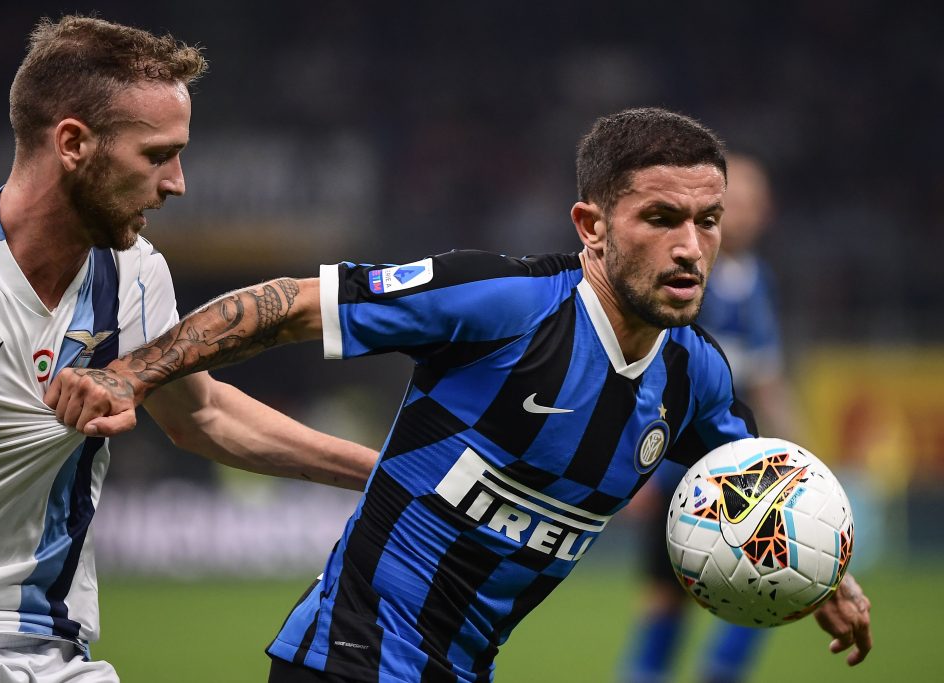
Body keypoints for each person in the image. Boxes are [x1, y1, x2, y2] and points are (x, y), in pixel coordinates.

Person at [48, 108, 873, 682]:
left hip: (464, 668)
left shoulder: (696, 376)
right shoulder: (504, 303)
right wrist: (131, 373)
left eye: (708, 220)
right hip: (349, 657)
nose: (691, 246)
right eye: (661, 218)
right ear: (590, 226)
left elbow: (757, 485)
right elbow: (291, 304)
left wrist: (820, 572)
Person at [0, 16, 375, 682]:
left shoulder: (133, 275)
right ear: (73, 143)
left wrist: (386, 476)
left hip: (55, 655)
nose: (177, 182)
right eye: (158, 155)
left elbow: (203, 416)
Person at [620, 153, 796, 683]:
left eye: (753, 202)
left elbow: (765, 377)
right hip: (677, 463)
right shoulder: (686, 272)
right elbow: (648, 370)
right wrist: (638, 466)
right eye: (733, 202)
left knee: (773, 578)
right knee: (667, 593)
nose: (744, 212)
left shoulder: (758, 280)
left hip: (742, 465)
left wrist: (800, 455)